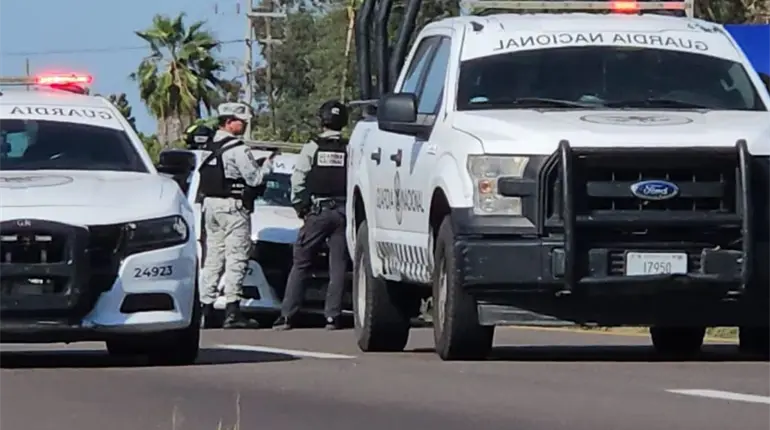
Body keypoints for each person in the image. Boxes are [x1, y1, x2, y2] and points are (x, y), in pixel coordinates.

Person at [273, 100, 349, 331]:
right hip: (344, 212)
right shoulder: (350, 147)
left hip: (318, 211)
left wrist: (300, 206)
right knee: (339, 266)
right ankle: (332, 317)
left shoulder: (313, 146)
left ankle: (287, 316)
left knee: (301, 263)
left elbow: (298, 180)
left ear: (321, 119)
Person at [199, 102, 276, 329]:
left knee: (213, 258)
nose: (243, 126)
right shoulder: (238, 149)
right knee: (236, 259)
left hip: (210, 206)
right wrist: (268, 166)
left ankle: (206, 308)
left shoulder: (208, 146)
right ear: (229, 122)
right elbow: (254, 179)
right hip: (233, 208)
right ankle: (233, 310)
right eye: (240, 122)